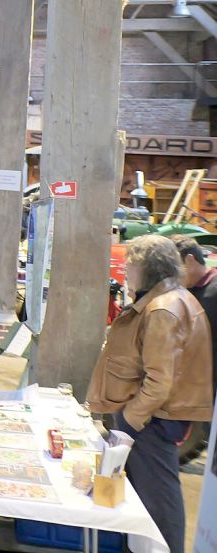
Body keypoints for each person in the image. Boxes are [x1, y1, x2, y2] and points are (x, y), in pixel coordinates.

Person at [86, 235, 213, 553]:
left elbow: (159, 382)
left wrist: (129, 420)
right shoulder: (168, 299)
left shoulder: (162, 310)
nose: (125, 273)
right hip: (153, 418)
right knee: (149, 493)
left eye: (131, 266)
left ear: (149, 269)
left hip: (152, 420)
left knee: (157, 497)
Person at [171, 234, 217, 399]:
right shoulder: (184, 293)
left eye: (175, 268)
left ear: (190, 260)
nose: (172, 276)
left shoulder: (214, 291)